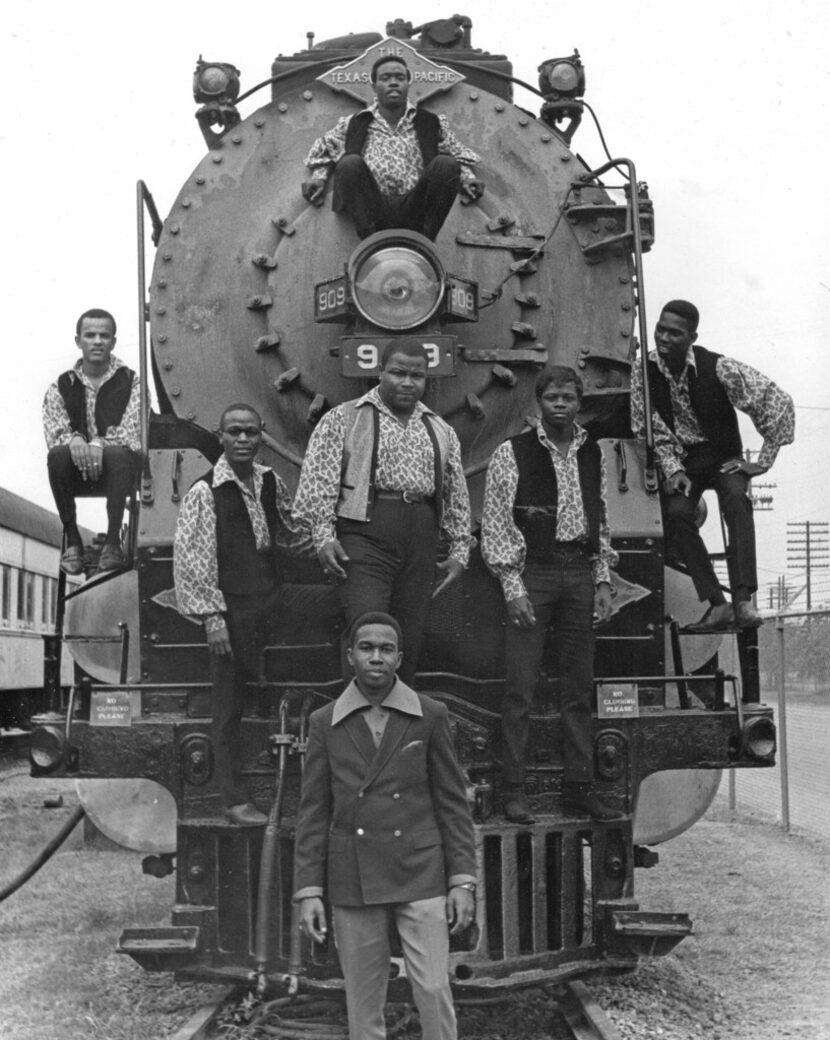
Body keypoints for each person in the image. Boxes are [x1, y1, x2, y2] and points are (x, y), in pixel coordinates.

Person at [294, 611, 476, 1040]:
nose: (376, 657)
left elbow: (453, 805)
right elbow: (313, 811)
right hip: (353, 877)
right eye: (367, 648)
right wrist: (309, 890)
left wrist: (463, 881)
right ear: (351, 657)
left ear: (399, 658)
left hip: (421, 873)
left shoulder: (430, 715)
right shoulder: (324, 722)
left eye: (386, 649)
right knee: (362, 998)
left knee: (433, 987)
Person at [174, 403, 340, 827]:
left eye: (250, 432)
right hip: (232, 608)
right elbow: (193, 561)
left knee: (340, 602)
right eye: (234, 432)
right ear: (221, 437)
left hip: (272, 598)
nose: (243, 439)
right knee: (229, 703)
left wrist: (335, 551)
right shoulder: (204, 492)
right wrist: (213, 619)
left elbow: (290, 535)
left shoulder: (270, 481)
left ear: (262, 436)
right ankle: (233, 800)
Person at [481, 366, 620, 824]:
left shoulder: (592, 452)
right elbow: (498, 521)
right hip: (533, 575)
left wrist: (602, 579)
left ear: (579, 402)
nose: (561, 404)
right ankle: (513, 791)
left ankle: (579, 788)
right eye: (552, 397)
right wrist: (512, 585)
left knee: (578, 689)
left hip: (579, 573)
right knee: (519, 689)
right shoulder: (512, 452)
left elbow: (599, 517)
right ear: (538, 403)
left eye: (569, 397)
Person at [292, 340, 472, 685]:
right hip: (364, 536)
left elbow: (456, 494)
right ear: (381, 372)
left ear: (426, 380)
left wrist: (460, 551)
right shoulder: (343, 418)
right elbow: (318, 481)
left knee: (407, 638)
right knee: (368, 630)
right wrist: (323, 537)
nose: (407, 382)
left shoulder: (440, 429)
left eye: (417, 375)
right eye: (398, 373)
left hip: (421, 540)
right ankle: (356, 726)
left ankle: (397, 730)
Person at [630, 300, 795, 633]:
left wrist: (761, 462)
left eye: (674, 333)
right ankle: (718, 606)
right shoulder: (642, 370)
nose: (663, 338)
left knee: (737, 502)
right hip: (685, 461)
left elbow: (776, 401)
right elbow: (646, 424)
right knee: (675, 515)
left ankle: (743, 601)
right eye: (660, 329)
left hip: (723, 459)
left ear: (692, 336)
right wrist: (673, 468)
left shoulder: (719, 367)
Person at [302, 54, 483, 240]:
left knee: (445, 163)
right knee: (349, 163)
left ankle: (424, 242)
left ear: (408, 83)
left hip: (418, 205)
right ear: (374, 86)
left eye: (400, 78)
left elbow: (455, 153)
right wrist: (319, 178)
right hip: (372, 206)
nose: (394, 83)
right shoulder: (354, 123)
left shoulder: (430, 122)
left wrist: (468, 178)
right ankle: (372, 242)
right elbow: (325, 148)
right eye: (385, 78)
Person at [43, 309, 141, 574]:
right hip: (76, 470)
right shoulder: (61, 385)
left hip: (117, 471)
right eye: (90, 335)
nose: (97, 341)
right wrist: (74, 440)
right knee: (57, 456)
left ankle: (112, 543)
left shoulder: (132, 381)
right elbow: (54, 432)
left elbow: (133, 432)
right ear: (78, 341)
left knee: (120, 455)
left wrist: (99, 443)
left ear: (113, 342)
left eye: (104, 335)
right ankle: (73, 540)